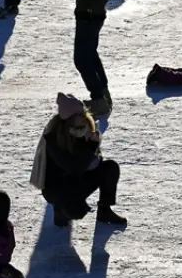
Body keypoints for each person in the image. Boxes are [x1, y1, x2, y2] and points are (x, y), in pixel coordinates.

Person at [31, 92, 127, 227]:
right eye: (79, 115)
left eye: (83, 113)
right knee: (75, 211)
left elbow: (90, 162)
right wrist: (91, 146)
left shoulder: (85, 129)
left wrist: (94, 148)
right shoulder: (53, 138)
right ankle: (60, 209)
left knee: (110, 168)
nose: (84, 118)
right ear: (68, 118)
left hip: (75, 179)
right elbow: (74, 168)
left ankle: (104, 211)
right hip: (57, 187)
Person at [57, 0, 117, 116]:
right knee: (90, 55)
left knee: (82, 59)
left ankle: (99, 99)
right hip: (92, 15)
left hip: (89, 17)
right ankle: (102, 95)